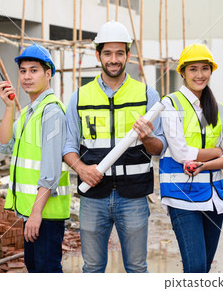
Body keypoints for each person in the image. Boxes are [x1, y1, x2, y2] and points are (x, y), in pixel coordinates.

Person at [63, 21, 166, 273]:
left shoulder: (147, 95)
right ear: (98, 55)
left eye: (120, 53)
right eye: (107, 53)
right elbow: (67, 145)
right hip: (93, 196)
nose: (113, 59)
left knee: (136, 268)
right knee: (93, 268)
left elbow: (159, 147)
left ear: (128, 55)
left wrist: (147, 138)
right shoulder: (80, 96)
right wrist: (81, 168)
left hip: (134, 197)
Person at [159, 43, 223, 273]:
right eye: (193, 69)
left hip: (215, 198)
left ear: (211, 71)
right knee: (194, 269)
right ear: (182, 72)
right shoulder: (170, 103)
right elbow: (181, 153)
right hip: (182, 198)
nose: (199, 74)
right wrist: (216, 152)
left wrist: (205, 163)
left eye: (205, 68)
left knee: (203, 271)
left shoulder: (219, 109)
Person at [0, 44, 71, 273]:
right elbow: (4, 145)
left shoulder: (52, 112)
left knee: (46, 269)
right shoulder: (29, 111)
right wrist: (9, 107)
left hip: (45, 212)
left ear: (48, 74)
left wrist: (36, 213)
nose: (27, 76)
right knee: (34, 267)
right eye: (23, 71)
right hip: (32, 211)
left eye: (34, 70)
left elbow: (51, 169)